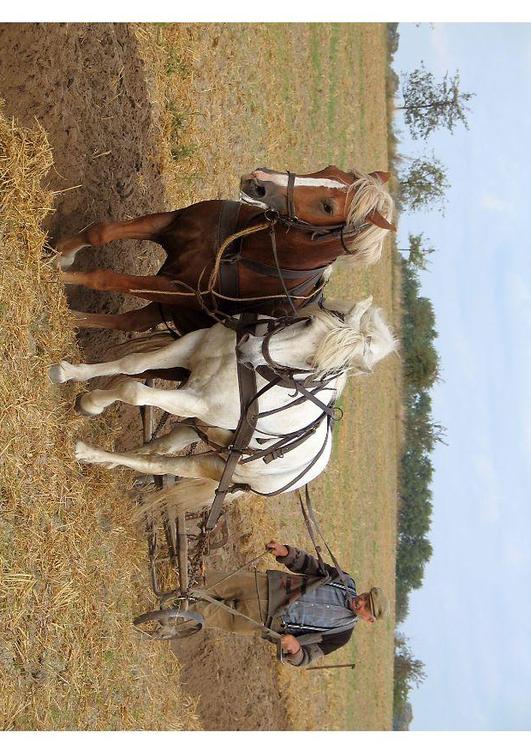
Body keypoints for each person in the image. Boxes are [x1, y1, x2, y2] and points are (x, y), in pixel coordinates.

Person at [189, 539, 389, 667]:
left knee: (201, 613)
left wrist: (296, 650)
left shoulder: (341, 635)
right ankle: (171, 584)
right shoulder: (344, 580)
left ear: (369, 620)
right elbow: (312, 565)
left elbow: (308, 656)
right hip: (265, 585)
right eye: (365, 596)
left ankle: (167, 611)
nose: (361, 602)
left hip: (263, 621)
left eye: (367, 607)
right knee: (204, 581)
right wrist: (287, 553)